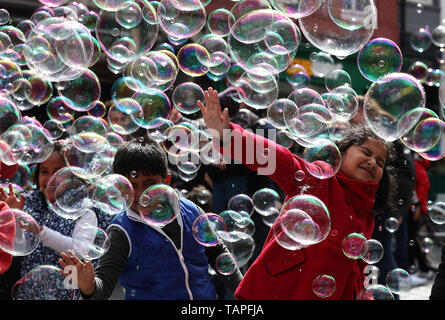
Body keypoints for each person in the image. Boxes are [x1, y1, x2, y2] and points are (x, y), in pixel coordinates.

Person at [197, 87, 397, 299]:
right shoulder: (319, 180)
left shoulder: (364, 215)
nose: (372, 162)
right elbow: (279, 160)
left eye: (380, 162)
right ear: (342, 151)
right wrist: (229, 136)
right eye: (366, 152)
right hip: (275, 292)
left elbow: (355, 270)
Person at [59, 136, 243, 300]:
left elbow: (218, 253)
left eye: (149, 184)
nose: (141, 194)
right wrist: (89, 286)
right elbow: (103, 289)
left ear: (166, 181)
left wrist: (244, 292)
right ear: (120, 188)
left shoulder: (191, 210)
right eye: (132, 186)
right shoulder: (121, 231)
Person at [2, 140, 113, 285]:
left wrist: (41, 231)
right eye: (44, 171)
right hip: (31, 288)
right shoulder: (29, 203)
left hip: (68, 289)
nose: (50, 179)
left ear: (73, 174)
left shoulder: (83, 210)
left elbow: (79, 251)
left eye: (57, 172)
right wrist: (15, 217)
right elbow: (19, 248)